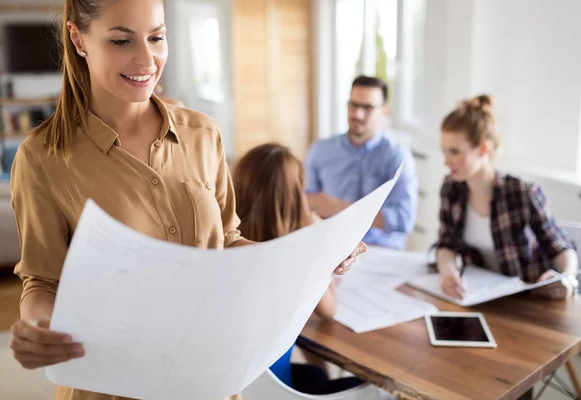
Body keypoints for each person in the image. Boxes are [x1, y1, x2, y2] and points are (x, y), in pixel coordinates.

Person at [7, 1, 365, 400]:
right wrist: (37, 326)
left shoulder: (203, 134)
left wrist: (314, 256)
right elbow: (42, 281)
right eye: (122, 40)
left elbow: (226, 242)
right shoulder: (43, 157)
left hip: (210, 381)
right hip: (112, 387)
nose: (147, 58)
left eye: (157, 37)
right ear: (78, 38)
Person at [233, 143, 365, 395]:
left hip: (247, 390)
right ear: (294, 199)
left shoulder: (225, 251)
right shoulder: (296, 258)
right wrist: (318, 232)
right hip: (279, 392)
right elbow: (329, 310)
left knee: (315, 373)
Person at [436, 94, 579, 300]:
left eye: (454, 152)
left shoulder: (523, 192)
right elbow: (446, 243)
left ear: (483, 149)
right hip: (483, 298)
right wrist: (448, 272)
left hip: (531, 299)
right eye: (444, 152)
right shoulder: (451, 188)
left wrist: (566, 277)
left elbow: (561, 248)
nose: (446, 162)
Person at [305, 75, 418, 250]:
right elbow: (305, 203)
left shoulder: (398, 156)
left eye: (367, 108)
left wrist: (335, 207)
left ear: (384, 112)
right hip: (333, 247)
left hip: (381, 249)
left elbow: (403, 219)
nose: (357, 114)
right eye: (353, 105)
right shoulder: (320, 150)